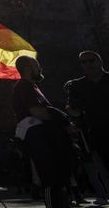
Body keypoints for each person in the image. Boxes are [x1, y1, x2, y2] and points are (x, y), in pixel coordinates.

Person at [13, 55, 73, 208]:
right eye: (36, 64)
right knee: (51, 179)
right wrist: (61, 119)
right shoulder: (24, 86)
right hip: (38, 138)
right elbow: (37, 111)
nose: (40, 68)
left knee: (58, 178)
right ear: (27, 68)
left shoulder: (33, 87)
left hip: (46, 137)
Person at [65, 50, 109, 205]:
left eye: (91, 60)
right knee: (101, 167)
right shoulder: (77, 85)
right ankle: (103, 194)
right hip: (92, 133)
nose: (88, 64)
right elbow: (71, 107)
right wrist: (73, 113)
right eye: (83, 62)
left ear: (99, 61)